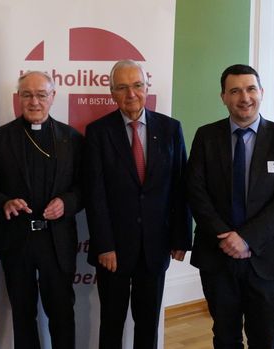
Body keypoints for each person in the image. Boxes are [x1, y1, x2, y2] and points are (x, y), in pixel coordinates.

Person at [83, 59, 191, 348]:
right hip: (114, 249)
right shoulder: (98, 132)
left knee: (148, 322)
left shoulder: (170, 129)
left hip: (156, 247)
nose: (131, 94)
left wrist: (181, 237)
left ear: (147, 87)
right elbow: (95, 193)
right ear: (112, 93)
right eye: (122, 87)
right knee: (112, 322)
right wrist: (104, 244)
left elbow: (181, 187)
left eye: (137, 85)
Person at [186, 64, 274, 348]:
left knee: (265, 338)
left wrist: (246, 238)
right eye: (235, 91)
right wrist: (225, 235)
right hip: (217, 256)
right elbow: (195, 191)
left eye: (250, 88)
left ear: (261, 92)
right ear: (223, 97)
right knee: (225, 337)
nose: (244, 97)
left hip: (267, 258)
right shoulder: (206, 136)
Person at [0, 71, 82, 348]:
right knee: (23, 315)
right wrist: (4, 203)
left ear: (53, 97)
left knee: (61, 312)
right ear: (18, 98)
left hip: (56, 241)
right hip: (16, 240)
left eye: (41, 95)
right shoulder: (1, 138)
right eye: (27, 95)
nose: (34, 101)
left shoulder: (71, 138)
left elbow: (84, 189)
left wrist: (66, 203)